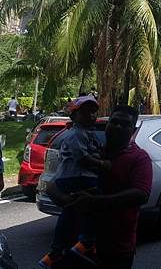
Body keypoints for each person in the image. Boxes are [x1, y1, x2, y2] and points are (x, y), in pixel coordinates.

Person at [67, 105, 152, 269]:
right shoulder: (92, 152)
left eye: (125, 124)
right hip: (77, 241)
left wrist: (96, 201)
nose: (118, 127)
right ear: (107, 124)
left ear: (133, 130)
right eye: (114, 122)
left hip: (117, 247)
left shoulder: (139, 158)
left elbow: (141, 194)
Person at [39, 95, 109, 268]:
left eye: (93, 112)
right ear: (74, 116)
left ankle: (58, 251)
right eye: (85, 113)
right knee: (95, 203)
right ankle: (84, 242)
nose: (91, 116)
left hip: (78, 177)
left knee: (72, 212)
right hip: (77, 177)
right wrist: (103, 164)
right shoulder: (75, 134)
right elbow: (82, 158)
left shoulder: (86, 133)